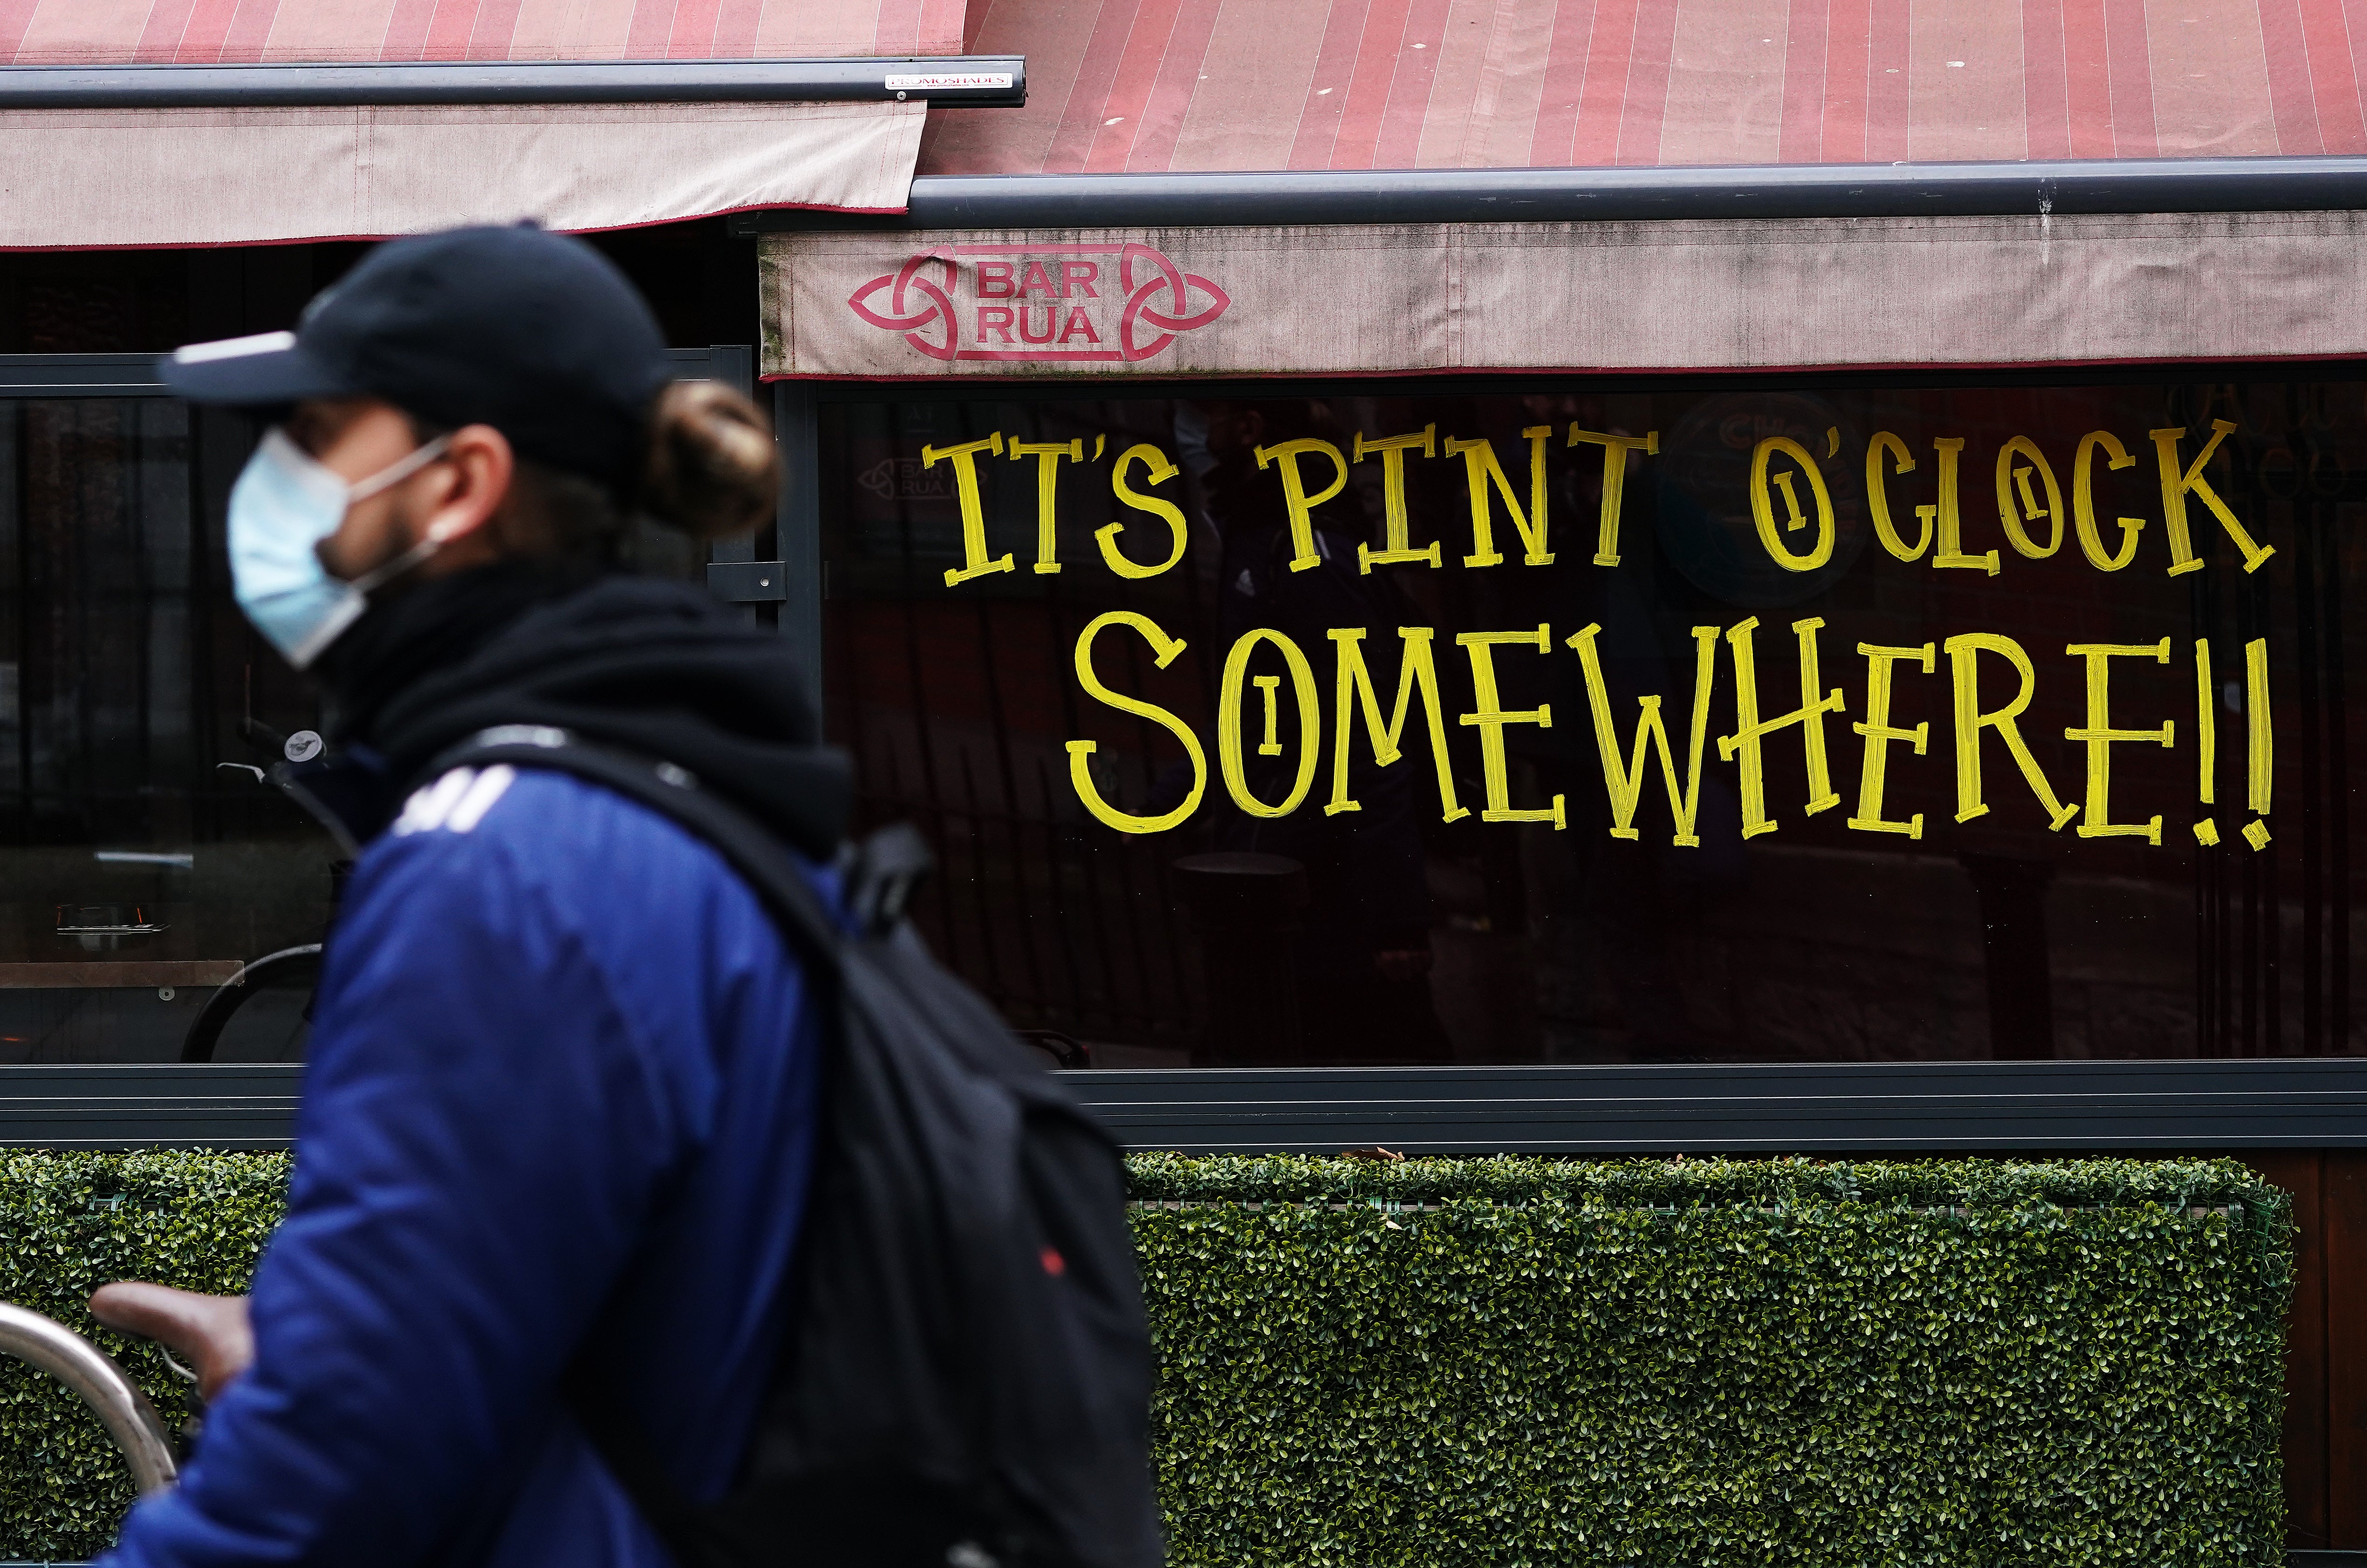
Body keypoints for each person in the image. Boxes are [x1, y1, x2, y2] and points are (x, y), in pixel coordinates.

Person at [86, 224, 850, 1567]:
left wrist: (339, 1374)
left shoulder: (498, 872)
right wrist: (344, 1331)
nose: (281, 478)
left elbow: (333, 1482)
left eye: (322, 430)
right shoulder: (700, 796)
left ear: (460, 484)